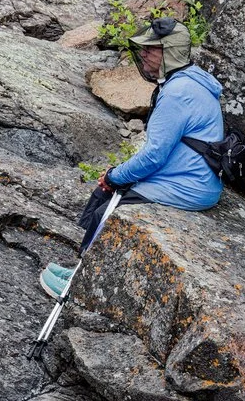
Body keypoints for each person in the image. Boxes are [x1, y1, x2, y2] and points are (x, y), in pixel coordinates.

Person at [40, 17, 224, 297]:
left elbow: (153, 156)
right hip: (189, 177)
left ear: (171, 52)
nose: (144, 53)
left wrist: (115, 175)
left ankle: (79, 287)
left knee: (109, 213)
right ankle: (81, 266)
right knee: (107, 193)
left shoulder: (177, 93)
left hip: (188, 186)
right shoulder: (188, 80)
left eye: (152, 48)